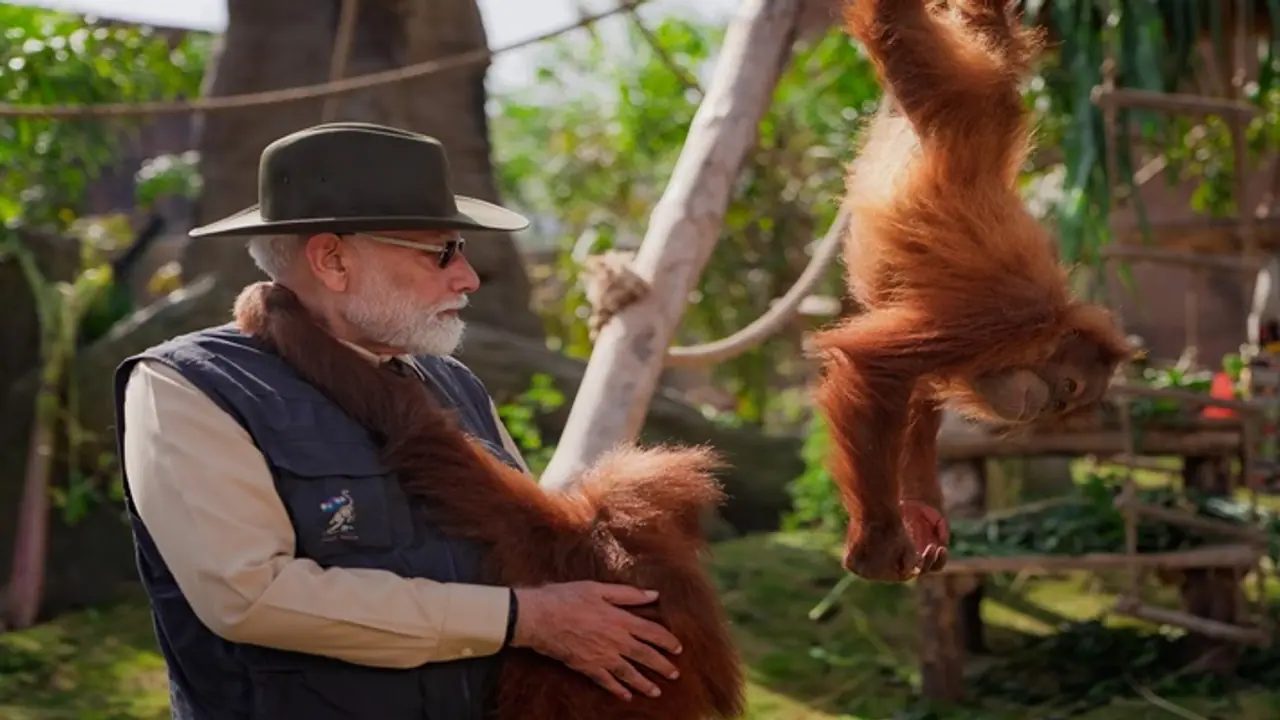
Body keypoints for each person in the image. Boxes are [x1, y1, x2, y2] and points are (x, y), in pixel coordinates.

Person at [113, 122, 684, 720]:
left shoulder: (454, 384)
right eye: (439, 251)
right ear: (332, 259)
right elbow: (252, 596)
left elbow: (522, 547)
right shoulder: (191, 386)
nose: (467, 277)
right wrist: (522, 620)